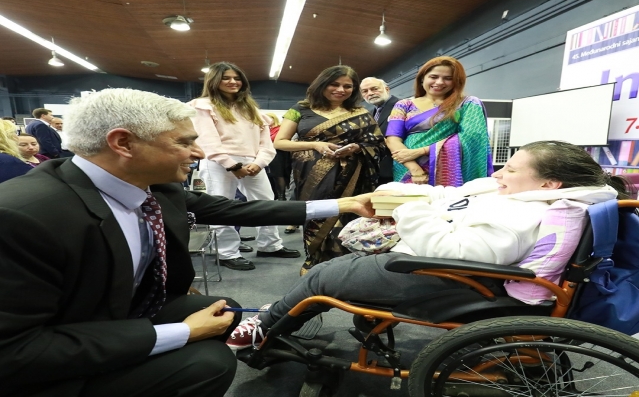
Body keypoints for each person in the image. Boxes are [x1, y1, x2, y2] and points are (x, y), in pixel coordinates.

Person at [0, 88, 379, 397]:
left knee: (224, 309)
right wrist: (184, 332)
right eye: (185, 142)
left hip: (111, 315)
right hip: (45, 361)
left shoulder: (152, 185)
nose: (199, 153)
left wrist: (344, 204)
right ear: (123, 143)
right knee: (209, 364)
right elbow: (15, 352)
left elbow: (239, 210)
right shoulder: (22, 216)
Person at [225, 140, 628, 350]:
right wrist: (404, 193)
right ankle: (283, 309)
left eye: (509, 168)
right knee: (336, 267)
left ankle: (266, 326)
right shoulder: (510, 193)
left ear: (549, 184)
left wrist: (409, 209)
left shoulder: (522, 215)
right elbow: (453, 195)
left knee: (322, 276)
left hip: (450, 276)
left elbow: (454, 252)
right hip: (437, 263)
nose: (498, 173)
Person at [188, 61, 300, 271]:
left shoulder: (250, 108)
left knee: (266, 202)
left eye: (237, 78)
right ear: (214, 80)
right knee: (221, 206)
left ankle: (270, 245)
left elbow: (266, 143)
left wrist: (259, 163)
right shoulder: (203, 105)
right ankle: (227, 253)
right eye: (226, 78)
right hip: (218, 162)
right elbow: (208, 141)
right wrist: (232, 165)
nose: (233, 82)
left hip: (253, 162)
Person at [274, 65, 386, 275]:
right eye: (334, 84)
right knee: (316, 215)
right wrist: (315, 145)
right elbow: (280, 142)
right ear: (322, 84)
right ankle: (314, 260)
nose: (341, 90)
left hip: (353, 176)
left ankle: (346, 265)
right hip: (311, 175)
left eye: (347, 86)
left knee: (349, 216)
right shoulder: (300, 109)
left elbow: (378, 144)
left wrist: (357, 148)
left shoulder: (360, 112)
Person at [386, 56, 492, 185]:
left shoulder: (467, 104)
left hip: (447, 168)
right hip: (406, 167)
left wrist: (422, 151)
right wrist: (414, 169)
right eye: (434, 77)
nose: (440, 82)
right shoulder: (403, 105)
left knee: (444, 197)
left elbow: (472, 137)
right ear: (422, 78)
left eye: (448, 78)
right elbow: (392, 140)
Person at [360, 77, 399, 185]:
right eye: (365, 91)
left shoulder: (401, 106)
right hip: (378, 171)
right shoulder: (368, 114)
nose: (370, 93)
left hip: (398, 167)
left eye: (374, 89)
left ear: (387, 89)